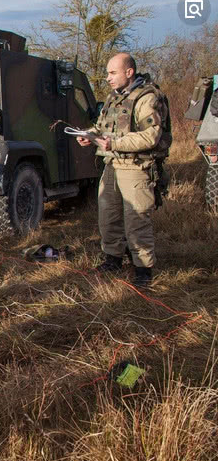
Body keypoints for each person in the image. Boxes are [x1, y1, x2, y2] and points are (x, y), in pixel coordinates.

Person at [76, 52, 171, 286]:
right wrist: (90, 135)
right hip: (112, 165)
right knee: (108, 216)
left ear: (129, 72)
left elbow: (151, 136)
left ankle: (143, 270)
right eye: (107, 73)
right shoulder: (112, 98)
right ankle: (113, 259)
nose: (107, 77)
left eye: (112, 73)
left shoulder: (147, 97)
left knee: (136, 219)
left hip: (137, 167)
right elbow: (102, 127)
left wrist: (115, 143)